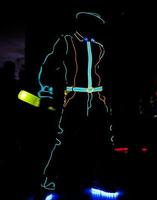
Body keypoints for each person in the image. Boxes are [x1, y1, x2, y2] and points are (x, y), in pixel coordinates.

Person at [33, 12, 119, 199]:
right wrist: (48, 92)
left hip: (97, 99)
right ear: (83, 25)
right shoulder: (66, 41)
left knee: (104, 141)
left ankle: (100, 180)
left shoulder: (99, 47)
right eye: (93, 26)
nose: (96, 31)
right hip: (75, 98)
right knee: (63, 140)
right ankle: (48, 182)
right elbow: (47, 68)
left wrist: (106, 98)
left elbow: (106, 75)